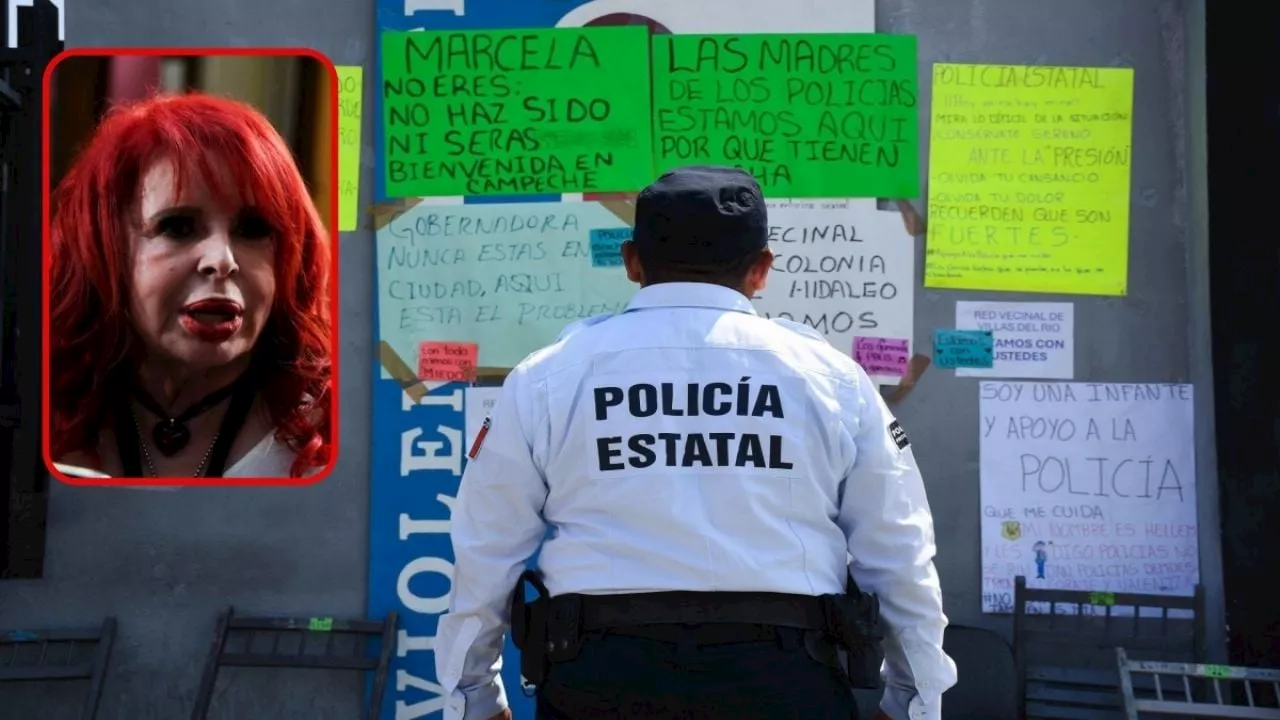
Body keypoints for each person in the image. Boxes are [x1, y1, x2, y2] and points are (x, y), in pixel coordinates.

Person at [436, 165, 956, 720]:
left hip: (602, 679)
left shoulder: (548, 377)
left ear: (632, 261)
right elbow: (898, 551)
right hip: (785, 680)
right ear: (761, 269)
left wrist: (473, 699)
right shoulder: (833, 380)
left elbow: (485, 553)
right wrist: (913, 701)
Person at [48, 92, 333, 479]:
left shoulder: (340, 429)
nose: (223, 260)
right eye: (178, 226)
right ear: (103, 248)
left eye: (253, 229)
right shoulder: (35, 416)